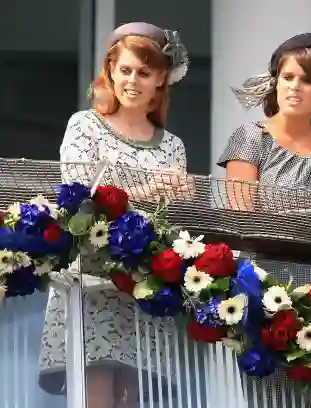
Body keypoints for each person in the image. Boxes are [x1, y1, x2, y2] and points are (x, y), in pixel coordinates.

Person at [38, 22, 190, 408]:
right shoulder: (85, 126)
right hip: (90, 283)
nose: (133, 80)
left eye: (144, 72)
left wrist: (186, 199)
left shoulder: (173, 146)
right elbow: (77, 202)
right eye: (124, 70)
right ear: (110, 71)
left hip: (144, 285)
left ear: (161, 79)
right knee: (96, 396)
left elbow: (173, 224)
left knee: (133, 399)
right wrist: (154, 190)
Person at [219, 32, 311, 408]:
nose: (294, 87)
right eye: (287, 77)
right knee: (271, 396)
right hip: (266, 285)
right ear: (276, 81)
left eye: (306, 80)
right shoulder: (250, 138)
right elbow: (242, 221)